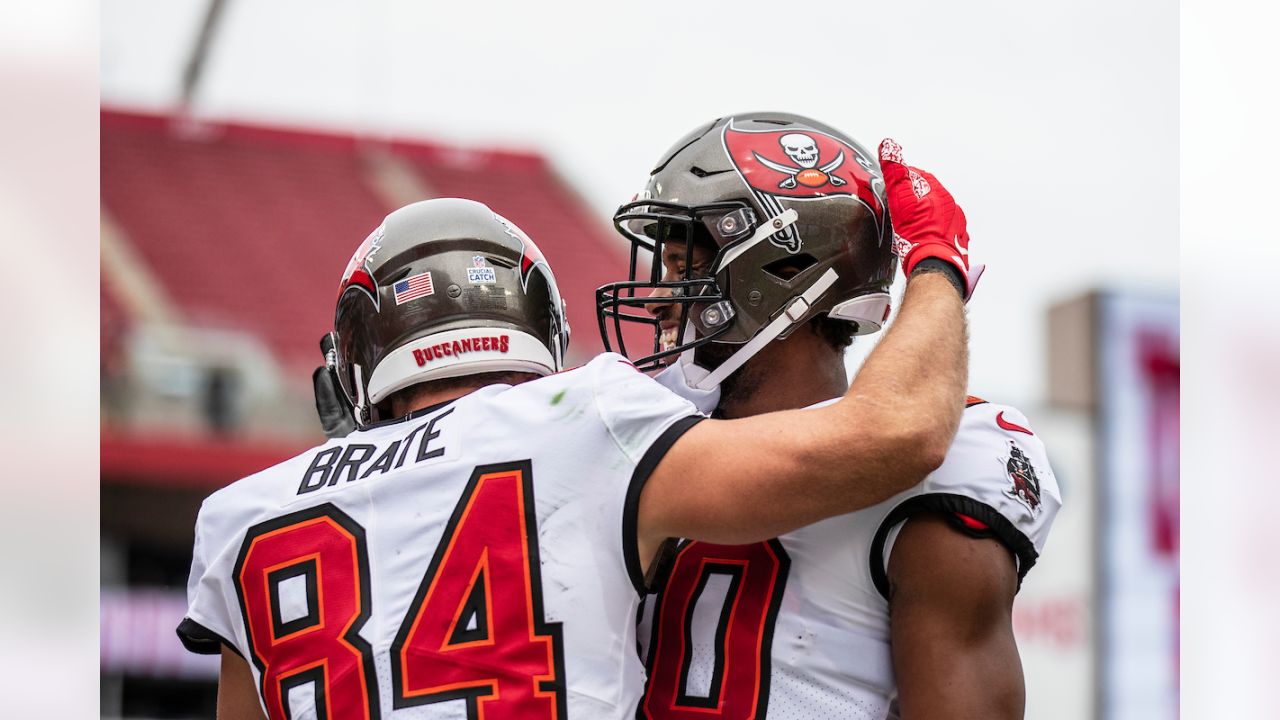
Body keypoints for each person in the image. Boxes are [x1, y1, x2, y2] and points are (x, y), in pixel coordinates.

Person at [177, 192, 970, 719]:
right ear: (540, 326)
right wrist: (938, 259)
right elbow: (898, 432)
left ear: (359, 350)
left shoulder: (240, 516)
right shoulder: (589, 415)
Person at [597, 113, 1060, 720]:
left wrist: (936, 265)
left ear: (786, 274)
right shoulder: (644, 438)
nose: (660, 298)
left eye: (685, 269)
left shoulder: (941, 473)